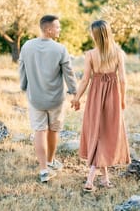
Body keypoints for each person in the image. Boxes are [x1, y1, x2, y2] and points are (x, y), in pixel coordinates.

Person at [71, 20, 130, 192]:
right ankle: (95, 179)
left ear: (94, 35)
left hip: (96, 96)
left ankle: (96, 180)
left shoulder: (90, 54)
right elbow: (123, 80)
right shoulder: (118, 53)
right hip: (113, 96)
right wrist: (123, 100)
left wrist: (77, 98)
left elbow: (85, 80)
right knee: (103, 133)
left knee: (98, 132)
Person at [19, 14, 77, 183]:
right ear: (49, 29)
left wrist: (24, 86)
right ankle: (50, 162)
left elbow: (22, 70)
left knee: (39, 131)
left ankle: (44, 169)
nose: (59, 29)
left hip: (35, 98)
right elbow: (69, 74)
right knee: (53, 130)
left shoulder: (27, 46)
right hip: (55, 99)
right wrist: (74, 92)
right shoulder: (60, 49)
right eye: (58, 27)